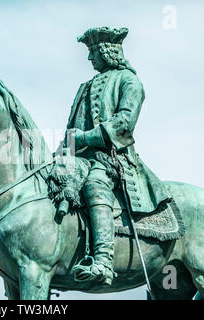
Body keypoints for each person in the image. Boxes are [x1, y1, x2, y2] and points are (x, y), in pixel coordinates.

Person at [64, 27, 171, 285]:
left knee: (94, 184)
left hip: (112, 160)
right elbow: (70, 129)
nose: (89, 59)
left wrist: (85, 138)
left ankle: (103, 261)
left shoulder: (129, 81)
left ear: (106, 51)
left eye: (92, 52)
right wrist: (63, 155)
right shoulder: (84, 87)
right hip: (79, 160)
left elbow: (123, 123)